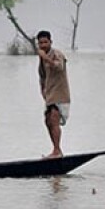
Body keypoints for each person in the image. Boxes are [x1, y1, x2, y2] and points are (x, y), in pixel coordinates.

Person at [37, 30, 70, 158]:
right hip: (50, 94)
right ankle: (56, 149)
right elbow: (42, 76)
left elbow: (59, 67)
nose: (43, 45)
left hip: (60, 94)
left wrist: (46, 58)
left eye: (45, 42)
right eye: (41, 43)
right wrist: (42, 90)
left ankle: (57, 150)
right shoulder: (41, 58)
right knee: (48, 121)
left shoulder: (57, 54)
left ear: (51, 42)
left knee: (55, 119)